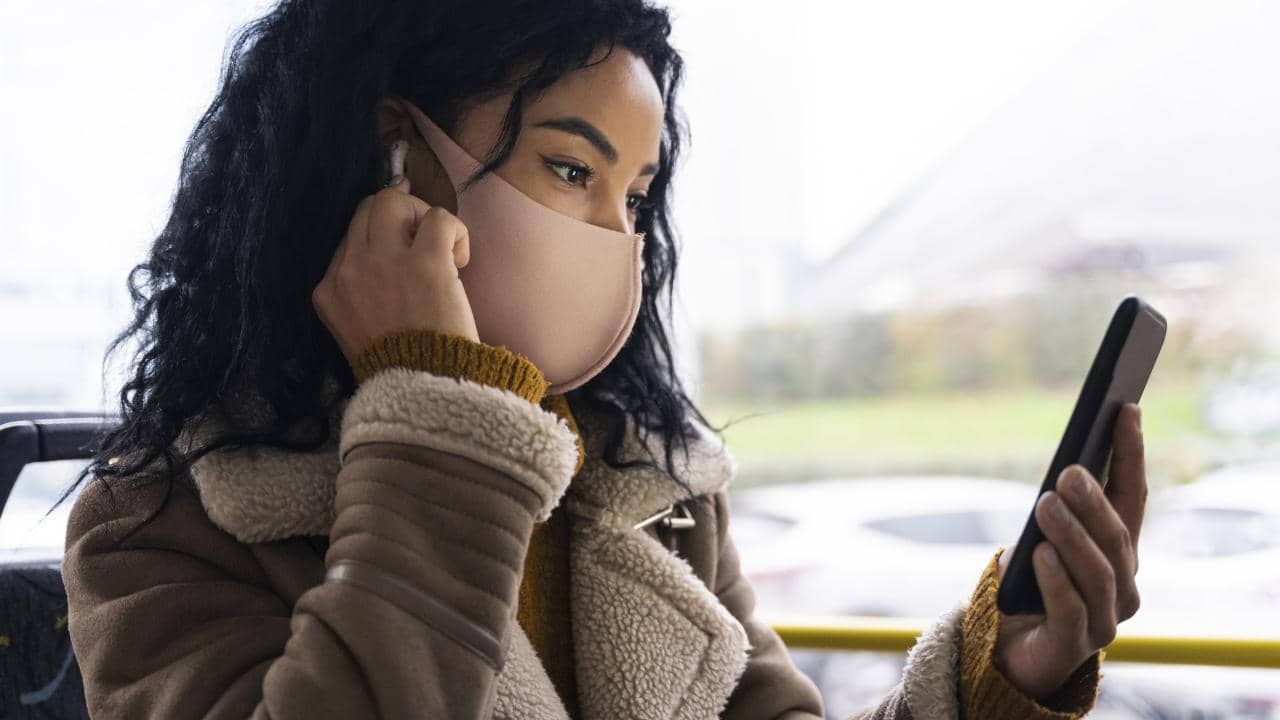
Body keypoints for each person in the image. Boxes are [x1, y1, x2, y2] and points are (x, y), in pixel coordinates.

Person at [62, 0, 1146, 717]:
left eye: (634, 195)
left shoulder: (644, 490)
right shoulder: (164, 520)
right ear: (393, 156)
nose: (614, 236)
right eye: (571, 169)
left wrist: (1004, 671)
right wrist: (437, 414)